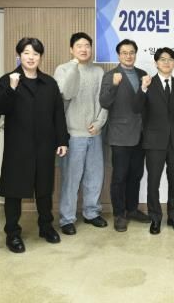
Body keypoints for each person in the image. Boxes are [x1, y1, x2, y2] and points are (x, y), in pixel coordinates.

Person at [0, 37, 69, 253]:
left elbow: (58, 113)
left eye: (35, 54)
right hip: (18, 146)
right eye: (26, 53)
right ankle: (12, 233)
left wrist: (62, 140)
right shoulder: (7, 80)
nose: (31, 57)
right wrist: (11, 88)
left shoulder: (49, 83)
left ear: (40, 57)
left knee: (44, 189)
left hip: (44, 144)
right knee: (14, 190)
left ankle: (46, 227)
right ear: (19, 56)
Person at [54, 32, 108, 236]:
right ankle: (67, 218)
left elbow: (104, 100)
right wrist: (74, 66)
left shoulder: (99, 71)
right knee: (71, 178)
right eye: (79, 45)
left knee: (95, 175)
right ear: (71, 49)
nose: (84, 49)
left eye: (87, 45)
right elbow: (65, 93)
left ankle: (91, 213)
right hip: (73, 134)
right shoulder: (63, 69)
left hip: (95, 132)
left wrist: (99, 122)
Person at [137, 48, 174, 234]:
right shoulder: (148, 83)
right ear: (156, 63)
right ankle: (155, 218)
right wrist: (143, 89)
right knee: (153, 182)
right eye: (162, 59)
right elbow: (137, 108)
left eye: (170, 59)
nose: (166, 62)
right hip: (154, 142)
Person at [99, 39, 150, 232]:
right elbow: (104, 102)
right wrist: (113, 85)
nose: (128, 56)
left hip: (140, 134)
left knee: (136, 175)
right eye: (124, 52)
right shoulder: (110, 75)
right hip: (120, 135)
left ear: (135, 54)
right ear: (118, 55)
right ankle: (119, 214)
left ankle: (132, 209)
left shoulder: (143, 74)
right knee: (120, 177)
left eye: (131, 52)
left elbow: (146, 104)